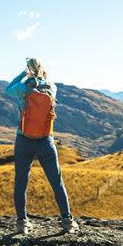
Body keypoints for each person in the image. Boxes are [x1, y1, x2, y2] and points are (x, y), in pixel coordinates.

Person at [6, 57, 79, 235]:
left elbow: (9, 88)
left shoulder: (22, 88)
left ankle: (22, 223)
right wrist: (42, 77)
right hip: (46, 141)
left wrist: (24, 74)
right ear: (42, 70)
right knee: (56, 181)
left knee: (21, 183)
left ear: (28, 70)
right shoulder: (52, 87)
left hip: (23, 139)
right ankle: (67, 221)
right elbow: (48, 88)